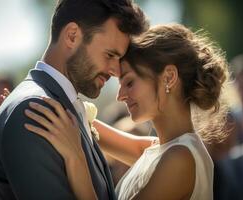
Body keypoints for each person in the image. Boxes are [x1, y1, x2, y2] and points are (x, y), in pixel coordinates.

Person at [23, 24, 230, 199]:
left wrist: (75, 158)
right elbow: (86, 125)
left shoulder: (180, 158)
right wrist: (31, 102)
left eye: (129, 82)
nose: (120, 96)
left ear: (168, 77)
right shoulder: (161, 150)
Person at [0, 0, 148, 199]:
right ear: (72, 36)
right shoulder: (32, 111)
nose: (115, 71)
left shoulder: (61, 110)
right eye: (109, 55)